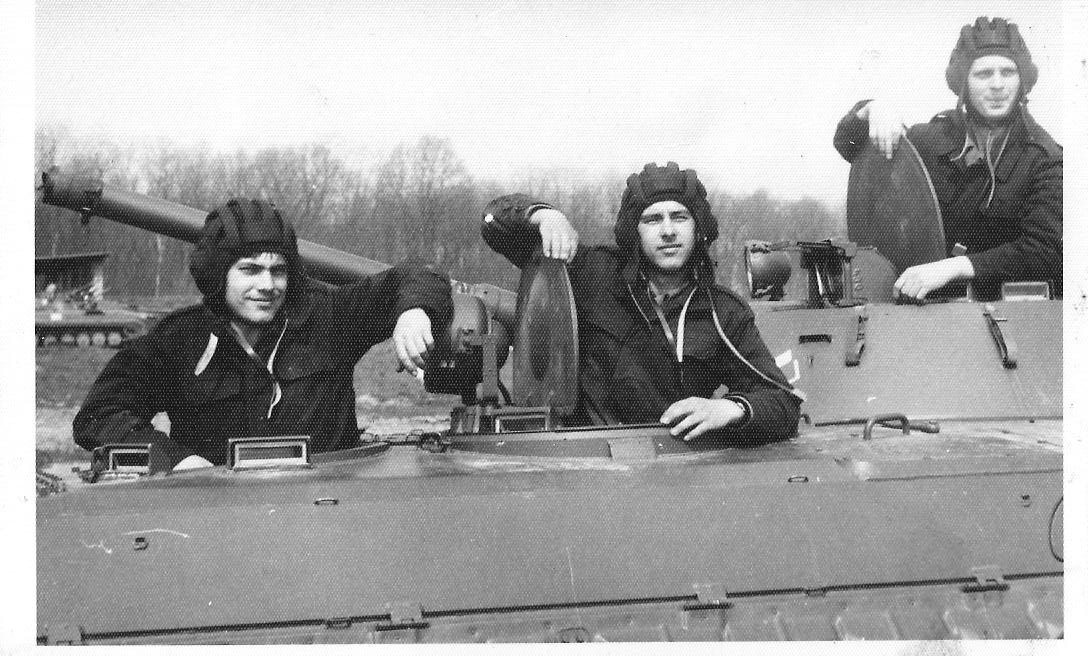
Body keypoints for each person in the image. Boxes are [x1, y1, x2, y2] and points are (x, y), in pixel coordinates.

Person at [74, 197, 452, 473]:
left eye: (278, 271)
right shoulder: (180, 341)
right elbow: (99, 415)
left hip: (324, 507)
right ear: (219, 275)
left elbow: (418, 274)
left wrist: (413, 311)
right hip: (221, 513)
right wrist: (174, 460)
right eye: (250, 270)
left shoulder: (328, 319)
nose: (268, 285)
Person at [482, 162, 801, 444]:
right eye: (652, 220)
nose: (668, 231)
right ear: (634, 230)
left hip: (671, 462)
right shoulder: (592, 274)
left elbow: (783, 403)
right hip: (586, 456)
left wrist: (729, 408)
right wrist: (542, 214)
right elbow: (493, 220)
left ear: (698, 228)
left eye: (680, 217)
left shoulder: (722, 313)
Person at [833, 16, 1062, 302]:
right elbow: (851, 148)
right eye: (983, 74)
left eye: (1008, 72)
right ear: (964, 83)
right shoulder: (931, 140)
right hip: (916, 304)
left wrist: (954, 267)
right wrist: (871, 111)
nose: (997, 85)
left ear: (1022, 81)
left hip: (1004, 313)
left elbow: (1046, 251)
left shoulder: (1045, 159)